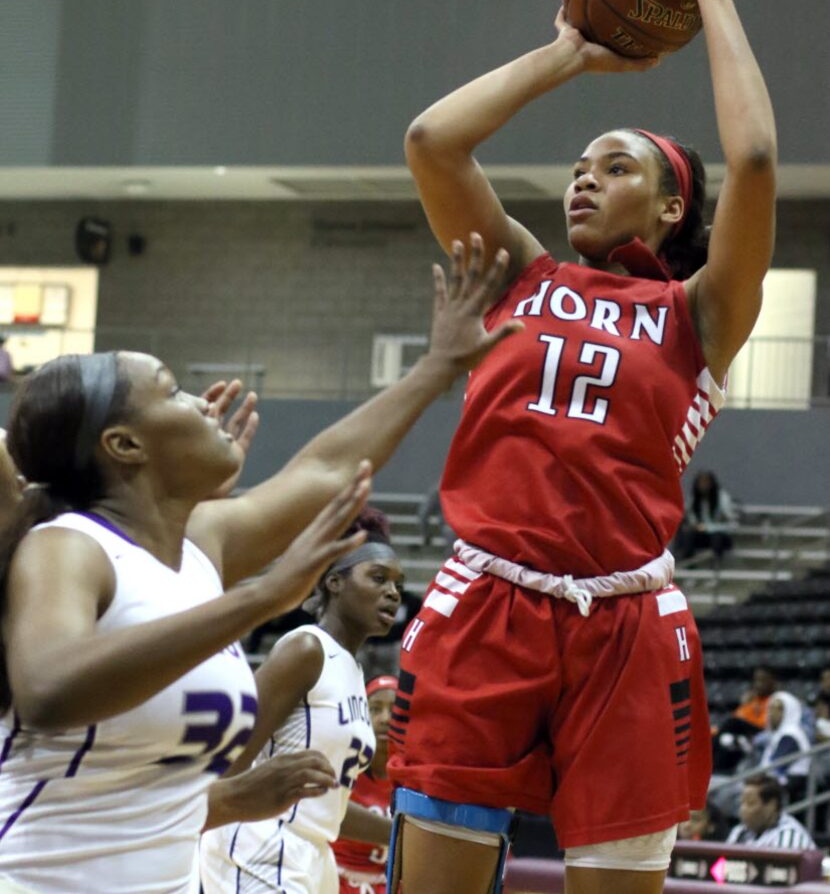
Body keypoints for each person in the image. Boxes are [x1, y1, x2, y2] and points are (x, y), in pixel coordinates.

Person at [388, 0, 776, 894]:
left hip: (624, 622)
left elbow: (756, 161)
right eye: (575, 167)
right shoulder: (521, 274)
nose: (581, 181)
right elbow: (433, 141)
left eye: (614, 167)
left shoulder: (701, 313)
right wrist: (569, 54)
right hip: (484, 600)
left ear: (670, 204)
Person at [0, 245, 520, 893]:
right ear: (126, 446)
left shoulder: (201, 546)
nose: (201, 400)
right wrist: (258, 600)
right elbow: (49, 688)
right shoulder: (68, 545)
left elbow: (326, 471)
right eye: (171, 390)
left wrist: (439, 366)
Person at [199, 513, 400, 893]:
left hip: (314, 850)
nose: (392, 592)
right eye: (378, 578)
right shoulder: (306, 649)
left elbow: (328, 808)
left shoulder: (354, 675)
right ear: (334, 582)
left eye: (396, 584)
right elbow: (228, 759)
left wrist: (403, 834)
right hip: (261, 843)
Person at [333, 674, 397, 893]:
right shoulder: (342, 766)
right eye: (375, 709)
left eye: (394, 710)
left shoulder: (415, 778)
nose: (385, 718)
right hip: (336, 881)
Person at [727, 775, 815, 850]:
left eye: (750, 803)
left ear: (771, 805)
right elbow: (721, 867)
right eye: (741, 803)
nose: (743, 809)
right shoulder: (739, 831)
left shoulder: (790, 836)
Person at [675, 470, 738, 561]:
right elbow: (691, 518)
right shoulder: (694, 500)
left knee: (717, 538)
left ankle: (716, 566)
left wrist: (708, 528)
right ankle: (688, 565)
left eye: (706, 482)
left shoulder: (722, 499)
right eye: (700, 482)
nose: (703, 485)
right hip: (702, 535)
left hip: (719, 535)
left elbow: (732, 524)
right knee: (687, 535)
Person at [759, 691, 811, 796]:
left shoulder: (791, 734)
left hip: (791, 785)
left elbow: (775, 768)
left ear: (790, 710)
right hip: (776, 783)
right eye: (771, 707)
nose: (772, 712)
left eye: (779, 708)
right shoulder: (779, 734)